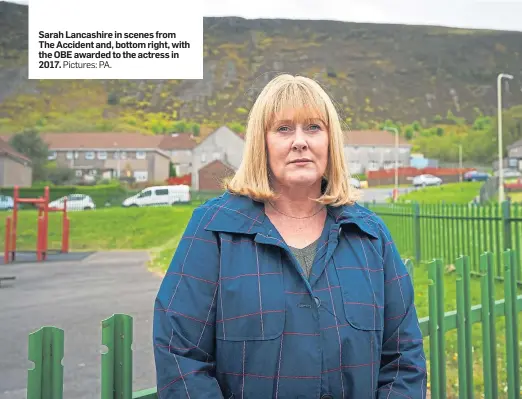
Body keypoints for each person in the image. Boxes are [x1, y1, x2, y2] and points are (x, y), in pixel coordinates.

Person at [153, 74, 427, 398]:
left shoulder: (370, 236)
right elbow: (180, 355)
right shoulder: (213, 229)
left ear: (330, 141)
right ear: (262, 142)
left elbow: (403, 360)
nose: (300, 141)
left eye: (313, 127)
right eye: (284, 128)